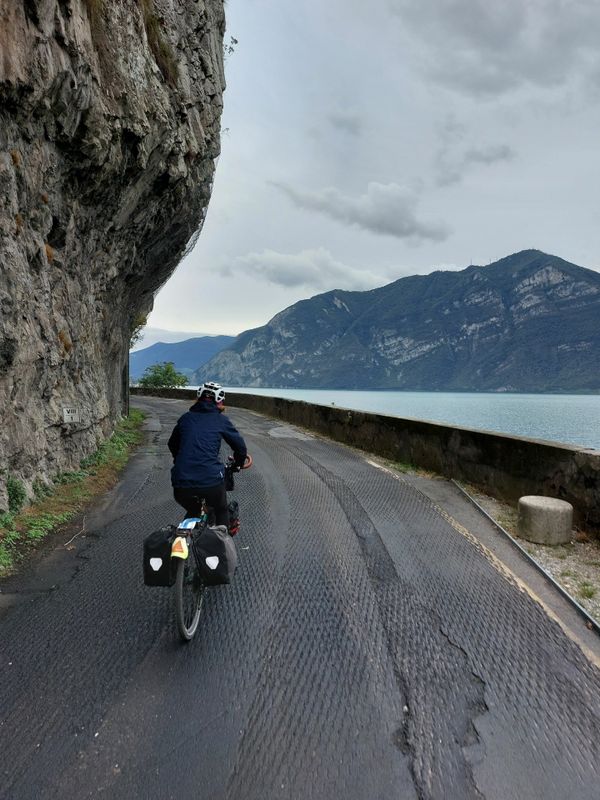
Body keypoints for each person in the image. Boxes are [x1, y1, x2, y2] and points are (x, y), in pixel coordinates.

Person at [167, 381, 247, 529]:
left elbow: (172, 444)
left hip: (181, 483)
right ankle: (221, 540)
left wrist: (181, 462)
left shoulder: (186, 418)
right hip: (211, 482)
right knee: (221, 509)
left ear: (198, 398)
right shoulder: (221, 420)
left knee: (193, 510)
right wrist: (238, 464)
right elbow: (240, 448)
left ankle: (185, 533)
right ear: (219, 401)